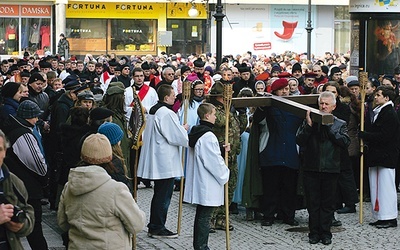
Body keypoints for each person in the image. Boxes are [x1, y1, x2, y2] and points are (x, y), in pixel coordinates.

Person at [58, 133, 146, 249]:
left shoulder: (69, 187)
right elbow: (136, 224)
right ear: (109, 158)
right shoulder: (116, 190)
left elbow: (63, 223)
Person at [296, 91, 350, 245]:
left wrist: (330, 128)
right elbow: (299, 140)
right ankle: (313, 233)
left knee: (327, 204)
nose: (324, 106)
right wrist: (309, 126)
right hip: (311, 168)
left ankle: (326, 233)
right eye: (321, 103)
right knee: (313, 204)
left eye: (327, 104)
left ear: (333, 106)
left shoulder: (340, 123)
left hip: (331, 169)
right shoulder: (310, 120)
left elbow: (345, 142)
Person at [137, 84, 188, 238]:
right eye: (173, 95)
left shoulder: (154, 109)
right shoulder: (166, 113)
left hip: (157, 155)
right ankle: (158, 226)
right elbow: (175, 136)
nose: (175, 97)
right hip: (165, 159)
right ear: (166, 97)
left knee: (159, 193)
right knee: (164, 195)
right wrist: (183, 129)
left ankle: (155, 224)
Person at [3, 100, 49, 249]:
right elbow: (36, 162)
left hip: (21, 182)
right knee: (35, 228)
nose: (36, 120)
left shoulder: (12, 127)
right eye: (35, 116)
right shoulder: (23, 133)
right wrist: (44, 177)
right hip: (29, 186)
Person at [184, 103, 230, 250]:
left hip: (201, 179)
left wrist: (221, 149)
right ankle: (201, 246)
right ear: (207, 116)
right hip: (207, 181)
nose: (216, 117)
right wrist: (225, 173)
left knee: (202, 214)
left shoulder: (199, 132)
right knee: (205, 216)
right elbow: (212, 161)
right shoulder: (208, 136)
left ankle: (200, 245)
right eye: (214, 114)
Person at [358, 86, 400, 228]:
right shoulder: (381, 111)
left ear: (386, 98)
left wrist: (365, 135)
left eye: (379, 95)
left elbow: (385, 136)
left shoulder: (389, 113)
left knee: (386, 187)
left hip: (386, 156)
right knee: (376, 187)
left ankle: (390, 217)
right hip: (377, 155)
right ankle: (381, 215)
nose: (375, 97)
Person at [0, 129, 35, 249]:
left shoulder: (14, 182)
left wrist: (21, 225)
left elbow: (28, 213)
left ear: (5, 152)